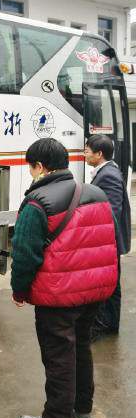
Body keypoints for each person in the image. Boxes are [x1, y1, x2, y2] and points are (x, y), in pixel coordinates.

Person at [10, 138, 118, 418]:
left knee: (59, 357)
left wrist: (19, 291)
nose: (31, 173)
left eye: (31, 167)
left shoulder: (36, 202)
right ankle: (82, 408)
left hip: (57, 297)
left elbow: (25, 255)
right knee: (81, 347)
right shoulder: (95, 193)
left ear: (40, 167)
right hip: (94, 292)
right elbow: (107, 240)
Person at [85, 134, 131, 338]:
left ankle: (103, 326)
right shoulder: (106, 171)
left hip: (107, 242)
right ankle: (110, 325)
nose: (85, 154)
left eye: (87, 151)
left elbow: (111, 213)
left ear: (99, 154)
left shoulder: (108, 175)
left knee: (106, 285)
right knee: (110, 284)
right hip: (108, 242)